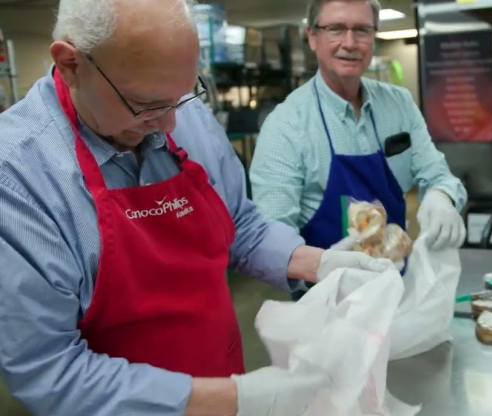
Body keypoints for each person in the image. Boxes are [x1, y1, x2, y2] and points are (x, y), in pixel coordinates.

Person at [0, 0, 391, 415]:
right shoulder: (18, 176)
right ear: (71, 65)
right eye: (145, 104)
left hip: (221, 380)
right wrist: (236, 400)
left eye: (184, 95)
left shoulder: (183, 113)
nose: (170, 124)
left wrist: (317, 263)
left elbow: (240, 225)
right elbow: (49, 369)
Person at [250, 0, 468, 290]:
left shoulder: (399, 104)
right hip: (326, 298)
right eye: (336, 29)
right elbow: (271, 238)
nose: (350, 43)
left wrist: (442, 197)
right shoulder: (285, 126)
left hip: (397, 285)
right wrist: (319, 266)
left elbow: (436, 172)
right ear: (312, 36)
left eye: (362, 30)